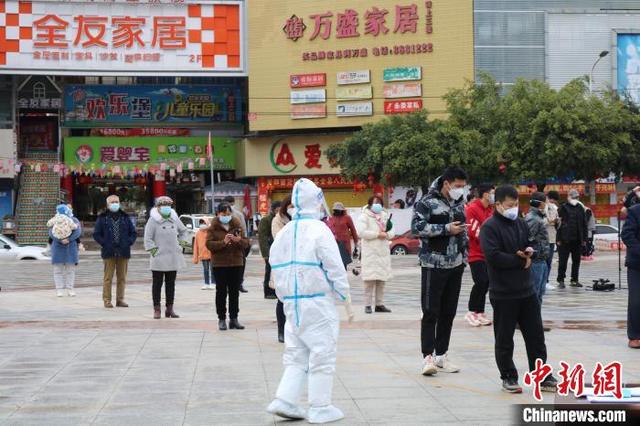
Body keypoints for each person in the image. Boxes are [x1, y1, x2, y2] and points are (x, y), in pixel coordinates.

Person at [267, 178, 352, 424]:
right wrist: (344, 295)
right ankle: (320, 406)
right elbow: (334, 266)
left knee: (296, 354)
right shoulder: (319, 230)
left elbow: (276, 268)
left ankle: (284, 400)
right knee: (322, 353)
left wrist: (285, 298)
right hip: (317, 303)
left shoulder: (284, 232)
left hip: (292, 305)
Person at [480, 185, 557, 393]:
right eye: (509, 205)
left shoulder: (520, 223)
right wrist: (518, 260)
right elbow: (493, 256)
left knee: (536, 336)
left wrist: (530, 252)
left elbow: (529, 243)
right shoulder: (490, 227)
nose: (514, 209)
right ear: (498, 205)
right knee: (505, 338)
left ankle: (542, 376)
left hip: (526, 289)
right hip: (504, 292)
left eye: (516, 204)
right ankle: (508, 376)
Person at [412, 167, 468, 376]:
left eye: (463, 186)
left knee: (449, 312)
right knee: (430, 311)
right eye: (457, 186)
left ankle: (442, 355)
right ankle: (428, 357)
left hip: (456, 264)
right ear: (446, 183)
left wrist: (465, 254)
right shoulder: (426, 202)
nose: (460, 190)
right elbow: (416, 227)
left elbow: (463, 230)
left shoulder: (459, 202)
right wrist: (445, 229)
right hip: (433, 264)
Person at [143, 196, 189, 319]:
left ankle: (170, 308)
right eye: (163, 206)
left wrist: (182, 244)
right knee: (157, 284)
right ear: (158, 207)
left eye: (168, 206)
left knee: (171, 284)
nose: (166, 208)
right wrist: (154, 251)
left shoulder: (174, 218)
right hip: (159, 257)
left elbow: (184, 231)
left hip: (173, 256)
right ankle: (156, 308)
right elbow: (147, 238)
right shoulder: (153, 220)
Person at [206, 202, 250, 331]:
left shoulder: (237, 225)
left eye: (228, 214)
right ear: (218, 214)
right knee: (221, 292)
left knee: (234, 292)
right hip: (220, 264)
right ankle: (221, 319)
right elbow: (209, 244)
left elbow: (246, 242)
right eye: (223, 214)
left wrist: (239, 240)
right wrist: (223, 242)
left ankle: (234, 319)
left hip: (236, 263)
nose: (226, 216)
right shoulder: (213, 227)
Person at [93, 195, 137, 308]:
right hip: (109, 251)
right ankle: (107, 300)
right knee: (108, 278)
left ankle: (120, 299)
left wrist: (128, 242)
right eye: (112, 202)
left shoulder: (125, 217)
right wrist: (105, 243)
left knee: (122, 277)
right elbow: (96, 234)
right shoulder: (102, 217)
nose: (115, 204)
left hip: (123, 251)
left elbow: (133, 233)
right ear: (108, 204)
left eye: (116, 201)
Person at [357, 196, 394, 314]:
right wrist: (377, 234)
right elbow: (361, 232)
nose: (377, 205)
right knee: (369, 281)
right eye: (375, 203)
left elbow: (392, 231)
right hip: (370, 253)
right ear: (369, 204)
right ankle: (367, 305)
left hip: (382, 253)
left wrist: (387, 234)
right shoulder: (364, 216)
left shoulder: (385, 216)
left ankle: (379, 304)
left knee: (381, 281)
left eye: (379, 203)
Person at [464, 184, 495, 327]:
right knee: (480, 281)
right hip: (475, 253)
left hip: (487, 253)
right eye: (492, 193)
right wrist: (490, 240)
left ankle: (480, 311)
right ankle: (471, 311)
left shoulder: (490, 209)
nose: (494, 195)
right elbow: (474, 230)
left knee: (487, 282)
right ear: (485, 194)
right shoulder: (472, 209)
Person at [271, 196, 293, 343]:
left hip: (300, 264)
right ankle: (281, 331)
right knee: (282, 299)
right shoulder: (277, 220)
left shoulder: (304, 220)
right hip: (283, 263)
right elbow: (278, 237)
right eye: (291, 206)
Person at [556, 189, 587, 288]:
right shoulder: (563, 208)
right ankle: (561, 280)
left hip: (577, 239)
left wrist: (584, 239)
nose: (575, 199)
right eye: (573, 197)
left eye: (577, 197)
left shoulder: (580, 208)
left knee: (576, 261)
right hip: (564, 239)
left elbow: (584, 224)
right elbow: (558, 225)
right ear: (568, 197)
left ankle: (574, 280)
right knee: (562, 261)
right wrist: (558, 239)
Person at [49, 204, 81, 297]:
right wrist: (60, 239)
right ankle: (59, 290)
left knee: (70, 270)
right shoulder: (55, 219)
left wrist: (68, 239)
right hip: (57, 247)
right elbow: (51, 232)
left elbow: (78, 231)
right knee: (57, 270)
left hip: (70, 248)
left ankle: (70, 289)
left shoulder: (74, 220)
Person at [524, 192, 551, 305]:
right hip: (536, 259)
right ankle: (530, 320)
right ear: (541, 204)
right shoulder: (533, 218)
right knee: (534, 293)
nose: (547, 204)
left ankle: (535, 319)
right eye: (546, 201)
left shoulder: (538, 217)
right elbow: (528, 238)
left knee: (539, 292)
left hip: (541, 258)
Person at [621, 203, 640, 349]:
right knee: (636, 300)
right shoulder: (635, 211)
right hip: (637, 264)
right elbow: (627, 235)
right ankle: (634, 336)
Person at [223, 195, 249, 293]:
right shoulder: (221, 215)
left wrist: (243, 240)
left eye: (231, 203)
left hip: (238, 242)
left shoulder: (239, 214)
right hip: (226, 242)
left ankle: (239, 284)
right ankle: (227, 284)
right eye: (228, 203)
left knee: (241, 264)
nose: (230, 205)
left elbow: (244, 228)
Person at [258, 201, 281, 299]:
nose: (279, 212)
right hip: (270, 249)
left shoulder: (282, 219)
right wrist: (265, 254)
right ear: (273, 209)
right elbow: (262, 238)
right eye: (277, 210)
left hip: (279, 250)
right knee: (269, 271)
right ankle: (268, 291)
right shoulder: (266, 220)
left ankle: (276, 291)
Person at [327, 202, 359, 269]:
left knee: (344, 264)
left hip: (345, 244)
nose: (338, 211)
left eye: (339, 210)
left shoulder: (347, 218)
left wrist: (356, 242)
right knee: (336, 262)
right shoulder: (331, 218)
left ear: (342, 210)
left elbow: (353, 230)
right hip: (334, 243)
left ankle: (343, 277)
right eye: (336, 210)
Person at [192, 217, 215, 290]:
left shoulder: (211, 231)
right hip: (203, 254)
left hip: (211, 254)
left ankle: (213, 283)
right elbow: (195, 246)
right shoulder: (198, 233)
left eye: (204, 223)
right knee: (205, 269)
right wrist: (195, 258)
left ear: (207, 223)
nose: (202, 224)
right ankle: (206, 283)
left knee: (212, 269)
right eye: (201, 223)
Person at [544, 191, 560, 285]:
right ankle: (544, 281)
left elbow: (557, 221)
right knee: (545, 261)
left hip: (552, 237)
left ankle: (546, 281)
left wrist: (555, 222)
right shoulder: (544, 207)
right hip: (545, 237)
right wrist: (551, 221)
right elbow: (544, 221)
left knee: (548, 261)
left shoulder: (554, 207)